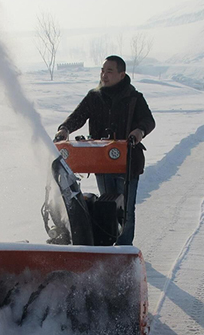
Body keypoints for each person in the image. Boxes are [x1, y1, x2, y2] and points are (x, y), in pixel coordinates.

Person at [53, 55, 155, 246]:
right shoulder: (95, 96)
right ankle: (108, 244)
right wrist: (64, 129)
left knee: (126, 209)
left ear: (121, 74)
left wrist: (139, 131)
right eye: (102, 70)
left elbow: (148, 121)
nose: (104, 75)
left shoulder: (134, 98)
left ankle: (124, 248)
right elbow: (78, 116)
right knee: (107, 205)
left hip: (128, 161)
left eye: (109, 71)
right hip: (102, 161)